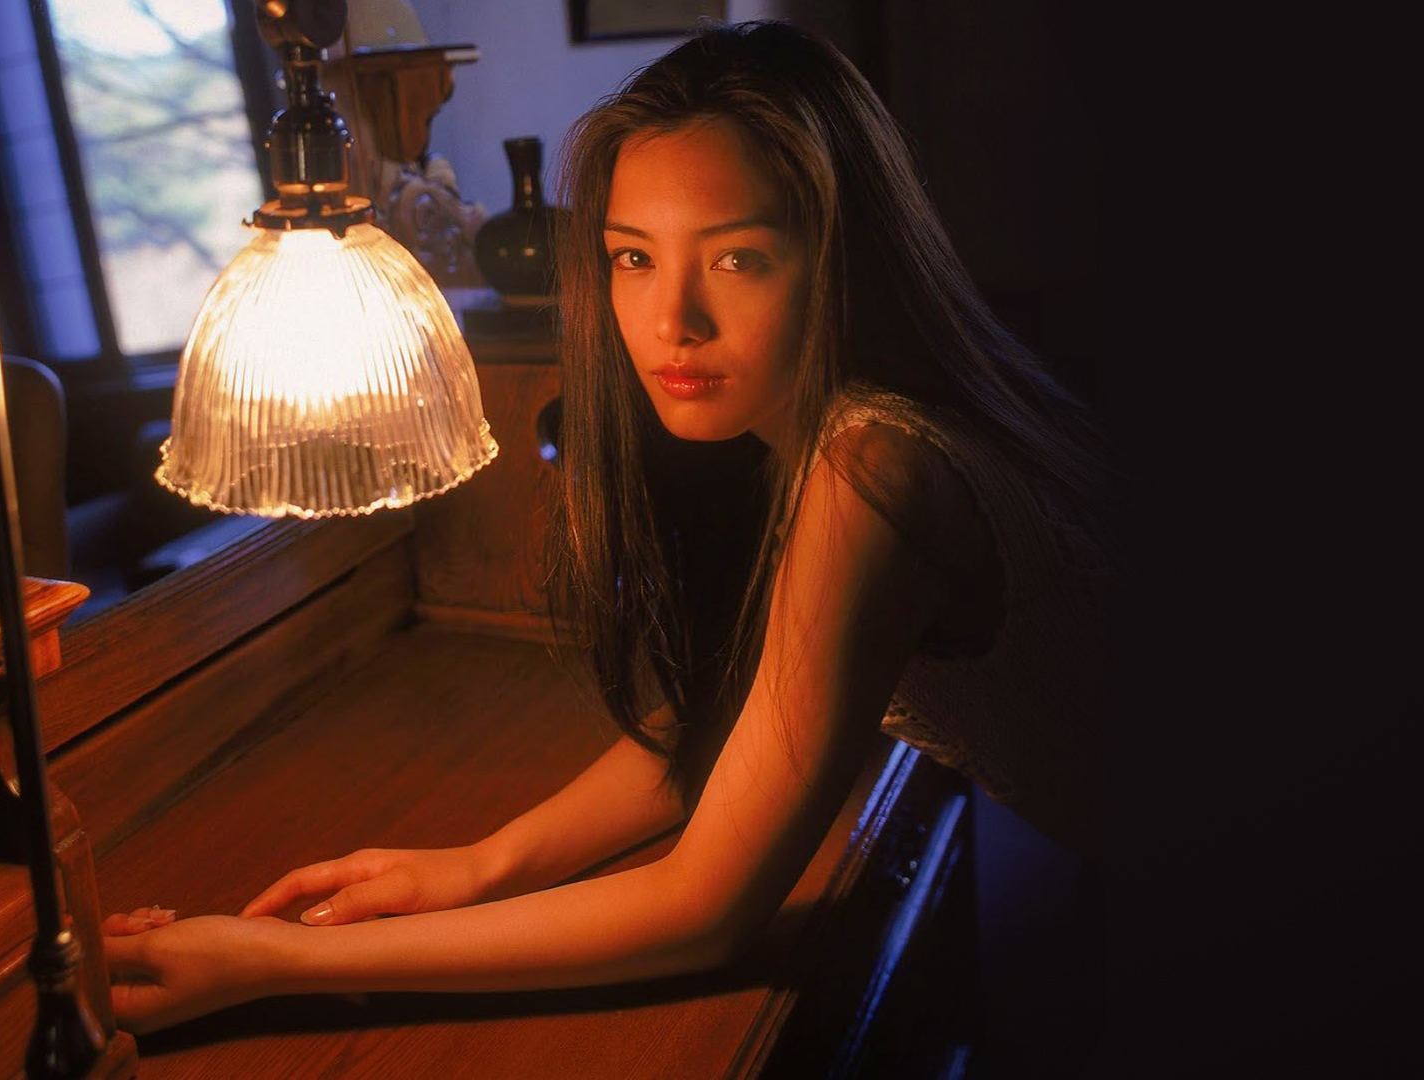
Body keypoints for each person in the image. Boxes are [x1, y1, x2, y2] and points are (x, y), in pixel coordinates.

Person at [102, 19, 1118, 1046]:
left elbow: (704, 909)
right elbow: (735, 712)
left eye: (739, 258)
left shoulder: (876, 466)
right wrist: (482, 865)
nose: (673, 321)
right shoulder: (826, 424)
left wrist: (274, 964)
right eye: (634, 256)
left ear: (844, 257)